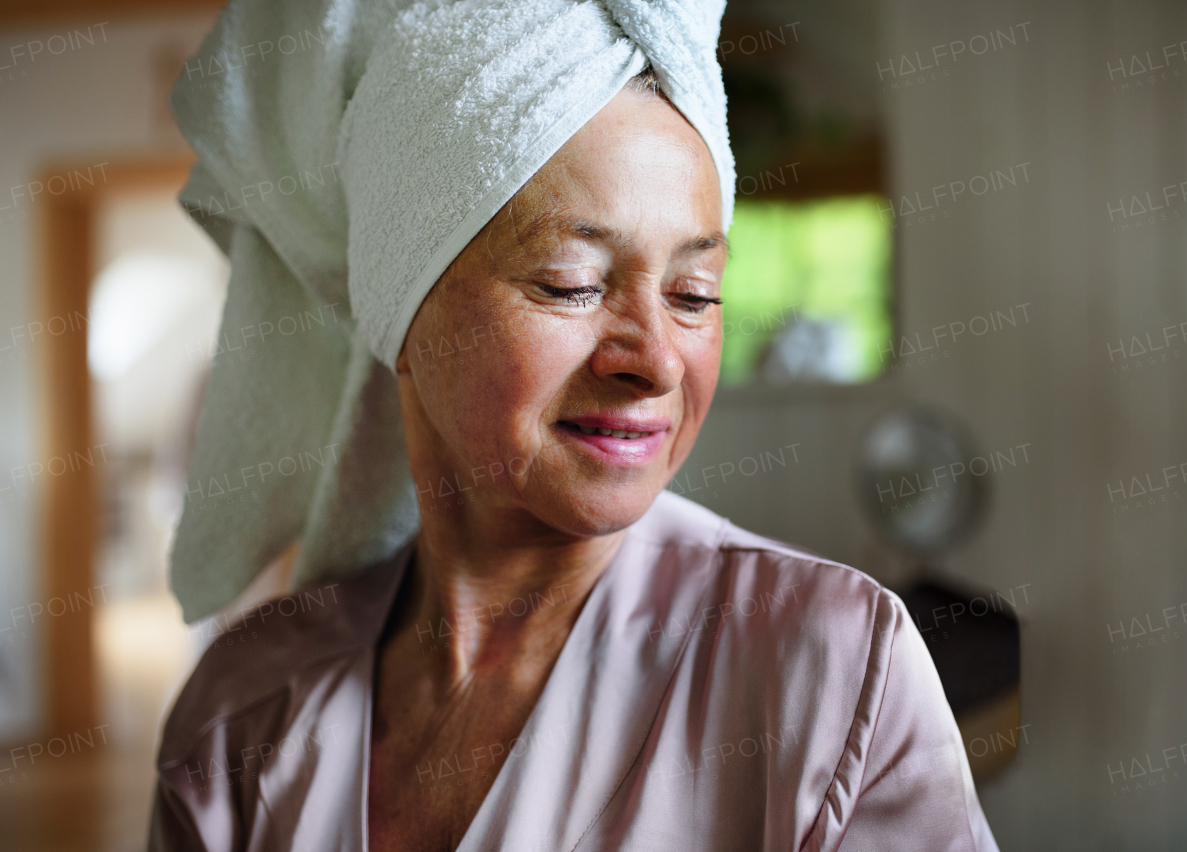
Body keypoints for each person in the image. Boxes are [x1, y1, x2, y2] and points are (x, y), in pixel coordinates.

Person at [149, 1, 999, 850]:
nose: (657, 363)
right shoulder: (244, 720)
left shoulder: (830, 671)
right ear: (398, 308)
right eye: (570, 282)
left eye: (694, 294)